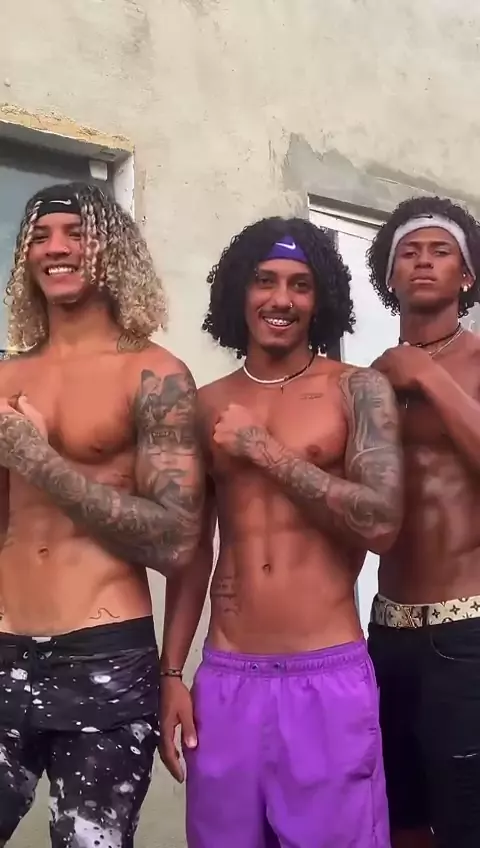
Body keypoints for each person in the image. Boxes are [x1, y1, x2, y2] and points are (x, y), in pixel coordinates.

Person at [159, 216, 403, 848]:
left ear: (320, 300)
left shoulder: (357, 390)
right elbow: (192, 551)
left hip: (326, 674)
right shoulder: (205, 404)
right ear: (240, 290)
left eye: (300, 285)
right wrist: (171, 673)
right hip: (227, 677)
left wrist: (264, 450)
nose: (281, 299)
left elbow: (382, 522)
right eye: (265, 281)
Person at [0, 182, 204, 847]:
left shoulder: (154, 374)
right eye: (40, 236)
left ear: (111, 250)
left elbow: (177, 540)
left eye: (76, 233)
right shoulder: (6, 379)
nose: (55, 248)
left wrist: (41, 461)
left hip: (103, 656)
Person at [367, 196, 480, 848]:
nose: (424, 261)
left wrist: (427, 377)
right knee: (397, 814)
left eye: (441, 251)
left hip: (467, 631)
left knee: (466, 819)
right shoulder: (369, 380)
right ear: (390, 276)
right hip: (387, 628)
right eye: (409, 252)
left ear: (468, 275)